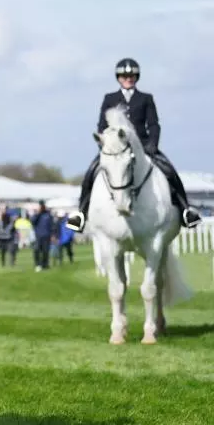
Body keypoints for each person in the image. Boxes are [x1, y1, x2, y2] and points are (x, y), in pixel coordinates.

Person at [66, 58, 200, 231]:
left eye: (131, 76)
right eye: (124, 76)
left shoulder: (145, 98)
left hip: (143, 146)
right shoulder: (110, 98)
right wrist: (106, 146)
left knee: (169, 171)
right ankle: (81, 213)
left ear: (136, 77)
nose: (128, 79)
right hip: (115, 148)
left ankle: (185, 210)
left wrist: (152, 145)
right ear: (118, 78)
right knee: (91, 172)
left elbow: (153, 124)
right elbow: (102, 126)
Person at [31, 200, 54, 272]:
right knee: (36, 250)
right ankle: (37, 264)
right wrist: (38, 213)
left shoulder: (48, 215)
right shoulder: (36, 214)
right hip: (38, 236)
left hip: (46, 236)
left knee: (45, 251)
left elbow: (51, 225)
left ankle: (45, 264)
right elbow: (33, 222)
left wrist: (53, 235)